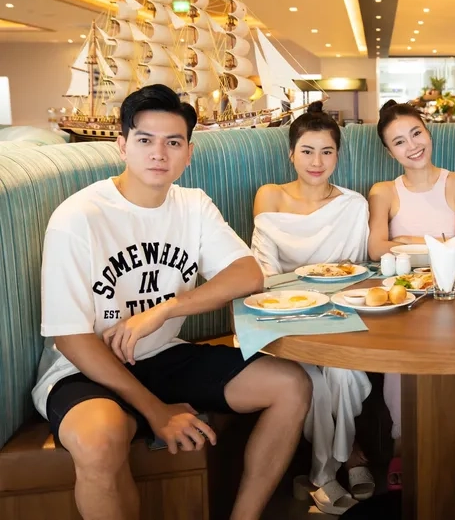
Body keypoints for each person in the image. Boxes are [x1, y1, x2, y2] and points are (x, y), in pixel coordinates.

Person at [32, 84, 312, 520]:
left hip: (162, 354)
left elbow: (248, 273)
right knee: (99, 441)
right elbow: (69, 338)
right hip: (85, 369)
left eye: (173, 142)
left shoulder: (192, 205)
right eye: (145, 140)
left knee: (291, 385)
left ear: (188, 153)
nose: (158, 153)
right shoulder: (78, 217)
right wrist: (156, 410)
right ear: (122, 145)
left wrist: (164, 310)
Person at [251, 101, 374, 514]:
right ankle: (346, 456)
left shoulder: (353, 205)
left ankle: (322, 474)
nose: (317, 162)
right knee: (315, 382)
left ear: (338, 155)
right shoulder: (270, 196)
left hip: (338, 315)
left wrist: (324, 294)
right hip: (281, 314)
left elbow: (355, 272)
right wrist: (301, 295)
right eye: (307, 151)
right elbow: (264, 272)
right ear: (291, 154)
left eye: (327, 151)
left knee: (343, 374)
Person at [368, 99, 455, 489]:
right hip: (404, 300)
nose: (412, 145)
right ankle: (402, 443)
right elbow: (375, 248)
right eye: (399, 142)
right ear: (389, 151)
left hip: (454, 296)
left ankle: (448, 451)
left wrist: (404, 241)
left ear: (429, 132)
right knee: (401, 354)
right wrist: (437, 241)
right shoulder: (383, 191)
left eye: (416, 133)